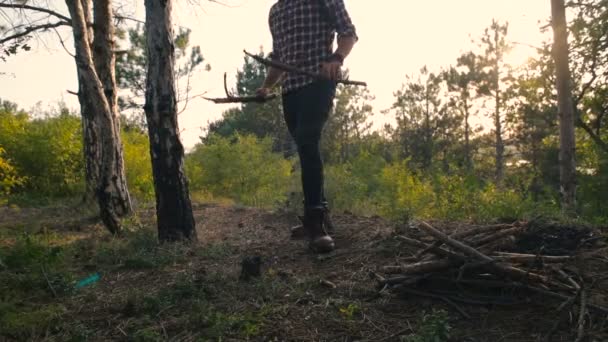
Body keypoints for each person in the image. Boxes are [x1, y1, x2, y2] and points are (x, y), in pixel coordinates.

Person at [256, 0, 358, 253]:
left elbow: (349, 33)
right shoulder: (276, 11)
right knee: (304, 149)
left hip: (318, 82)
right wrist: (267, 86)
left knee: (306, 140)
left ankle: (315, 223)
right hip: (290, 91)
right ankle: (319, 215)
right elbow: (279, 57)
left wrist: (336, 59)